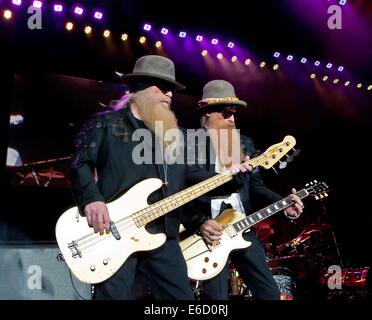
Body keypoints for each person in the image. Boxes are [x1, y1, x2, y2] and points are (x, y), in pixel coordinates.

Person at [69, 56, 249, 300]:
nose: (170, 95)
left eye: (172, 90)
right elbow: (80, 164)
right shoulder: (106, 124)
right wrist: (92, 199)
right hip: (114, 233)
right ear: (140, 88)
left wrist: (233, 177)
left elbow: (190, 179)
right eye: (163, 88)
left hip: (163, 236)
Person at [182, 79, 304, 300]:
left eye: (234, 114)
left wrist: (285, 204)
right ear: (207, 113)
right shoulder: (190, 143)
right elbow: (185, 184)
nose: (232, 119)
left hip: (241, 228)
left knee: (270, 294)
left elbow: (256, 186)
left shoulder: (244, 143)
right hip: (209, 232)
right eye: (225, 113)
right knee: (216, 300)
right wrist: (199, 223)